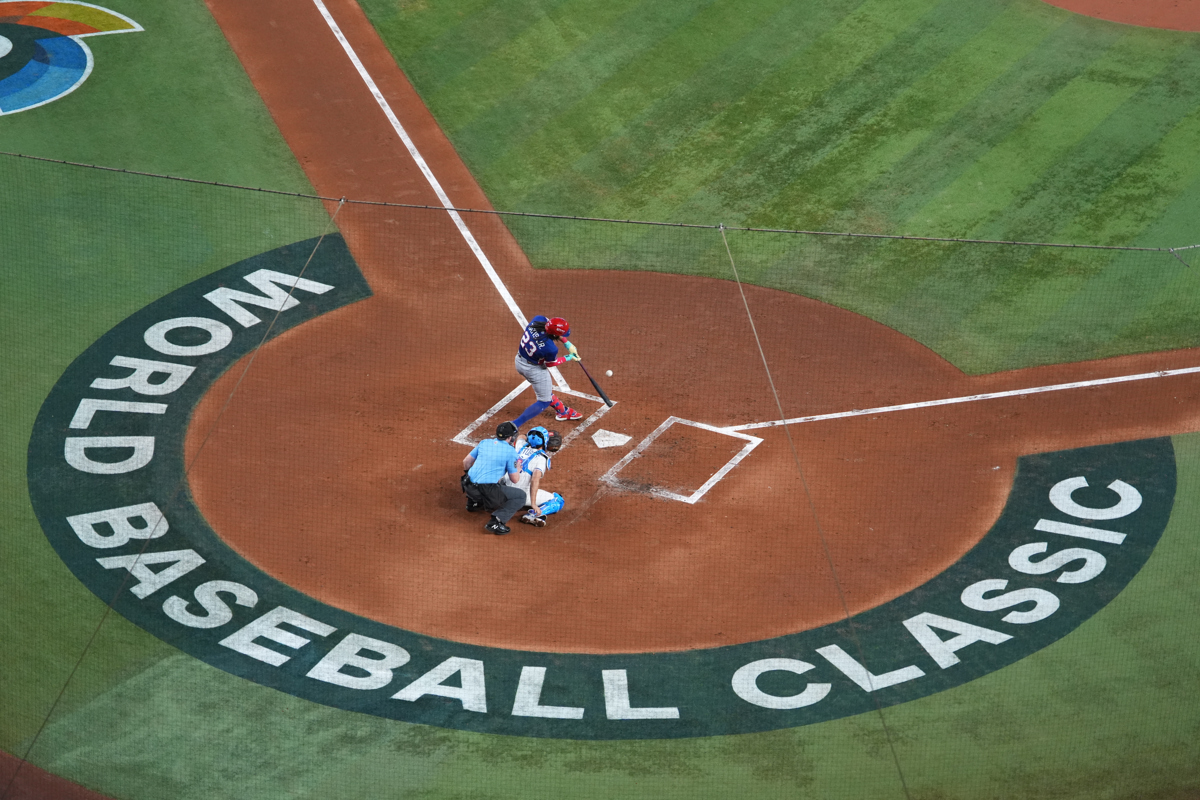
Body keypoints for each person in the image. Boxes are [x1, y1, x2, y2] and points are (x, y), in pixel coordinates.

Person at [509, 315, 584, 429]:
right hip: (533, 370)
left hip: (519, 360)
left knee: (545, 389)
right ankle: (515, 424)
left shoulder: (537, 320)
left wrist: (567, 343)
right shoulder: (550, 348)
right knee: (544, 401)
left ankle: (562, 412)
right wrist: (569, 357)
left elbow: (551, 328)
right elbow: (550, 363)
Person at [460, 421, 526, 535]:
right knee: (520, 496)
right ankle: (496, 522)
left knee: (481, 478)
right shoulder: (510, 452)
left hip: (467, 485)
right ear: (510, 438)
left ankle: (473, 503)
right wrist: (518, 470)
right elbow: (515, 479)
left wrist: (468, 474)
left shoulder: (484, 442)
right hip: (485, 490)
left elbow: (466, 462)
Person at [502, 426, 565, 527]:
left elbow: (521, 436)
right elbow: (535, 480)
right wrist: (533, 503)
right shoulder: (541, 459)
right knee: (558, 500)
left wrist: (533, 436)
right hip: (518, 496)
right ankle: (532, 515)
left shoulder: (520, 446)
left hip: (501, 491)